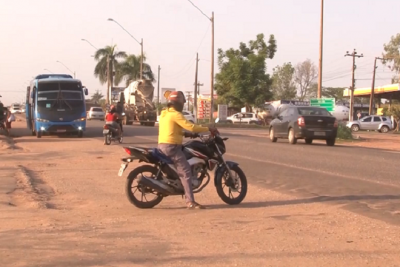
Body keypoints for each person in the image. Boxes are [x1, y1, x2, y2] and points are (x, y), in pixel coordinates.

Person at [158, 91, 218, 210]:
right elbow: (191, 126)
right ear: (179, 103)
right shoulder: (176, 114)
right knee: (186, 172)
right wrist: (208, 128)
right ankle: (190, 202)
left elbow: (173, 129)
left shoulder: (165, 113)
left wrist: (187, 134)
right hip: (172, 147)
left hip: (163, 146)